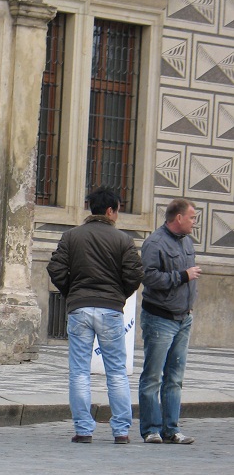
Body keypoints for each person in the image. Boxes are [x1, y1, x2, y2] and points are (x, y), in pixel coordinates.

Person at [46, 187, 143, 444]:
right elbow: (135, 274)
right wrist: (119, 295)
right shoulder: (123, 240)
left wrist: (71, 292)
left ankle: (83, 429)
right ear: (110, 211)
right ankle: (121, 430)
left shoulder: (71, 236)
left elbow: (55, 268)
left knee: (79, 371)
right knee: (117, 372)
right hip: (110, 309)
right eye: (118, 210)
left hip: (79, 307)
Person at [138, 199, 200, 445]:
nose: (194, 222)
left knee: (175, 377)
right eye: (192, 217)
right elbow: (149, 277)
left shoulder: (187, 242)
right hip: (160, 318)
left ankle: (171, 429)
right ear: (178, 218)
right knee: (153, 376)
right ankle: (151, 429)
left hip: (183, 317)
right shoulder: (155, 242)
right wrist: (182, 276)